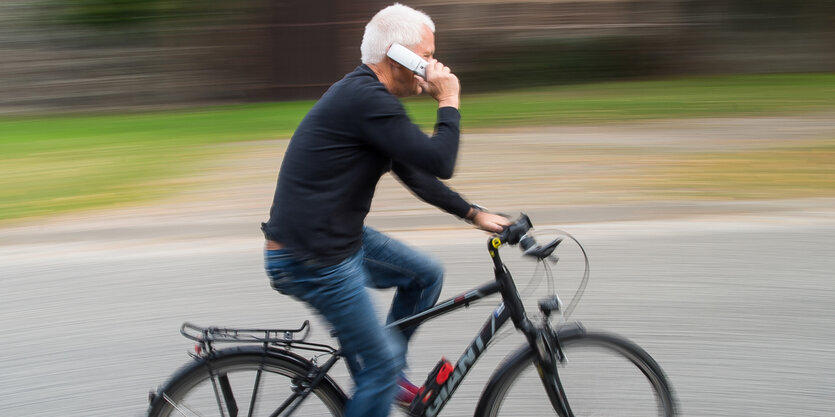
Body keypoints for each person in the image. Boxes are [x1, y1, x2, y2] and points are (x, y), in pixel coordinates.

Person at [261, 4, 511, 416]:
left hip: (334, 242)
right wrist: (448, 100)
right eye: (427, 56)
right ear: (399, 56)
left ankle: (385, 376)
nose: (434, 65)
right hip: (312, 258)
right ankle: (382, 375)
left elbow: (417, 173)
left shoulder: (366, 98)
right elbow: (441, 160)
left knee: (424, 275)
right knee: (377, 370)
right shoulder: (365, 100)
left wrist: (473, 214)